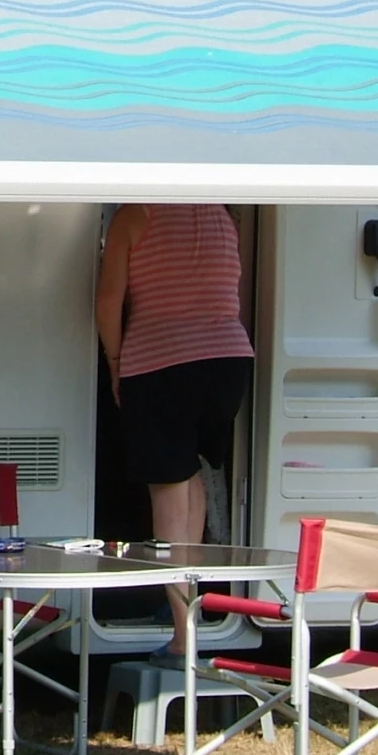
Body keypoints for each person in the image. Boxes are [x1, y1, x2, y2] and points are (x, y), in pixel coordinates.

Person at [94, 203, 254, 655]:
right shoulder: (222, 214)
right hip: (227, 361)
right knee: (191, 476)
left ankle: (184, 635)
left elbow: (109, 299)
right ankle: (189, 610)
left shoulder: (136, 215)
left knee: (167, 489)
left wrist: (115, 362)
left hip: (162, 360)